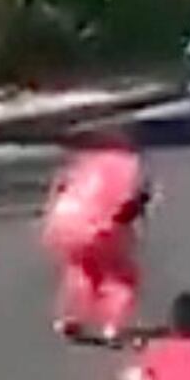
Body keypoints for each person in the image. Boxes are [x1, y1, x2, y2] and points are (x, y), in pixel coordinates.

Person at [41, 144, 150, 342]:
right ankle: (112, 326)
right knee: (121, 278)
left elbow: (59, 191)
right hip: (104, 233)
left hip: (68, 231)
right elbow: (129, 208)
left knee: (81, 273)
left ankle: (69, 318)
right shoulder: (124, 174)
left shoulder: (80, 172)